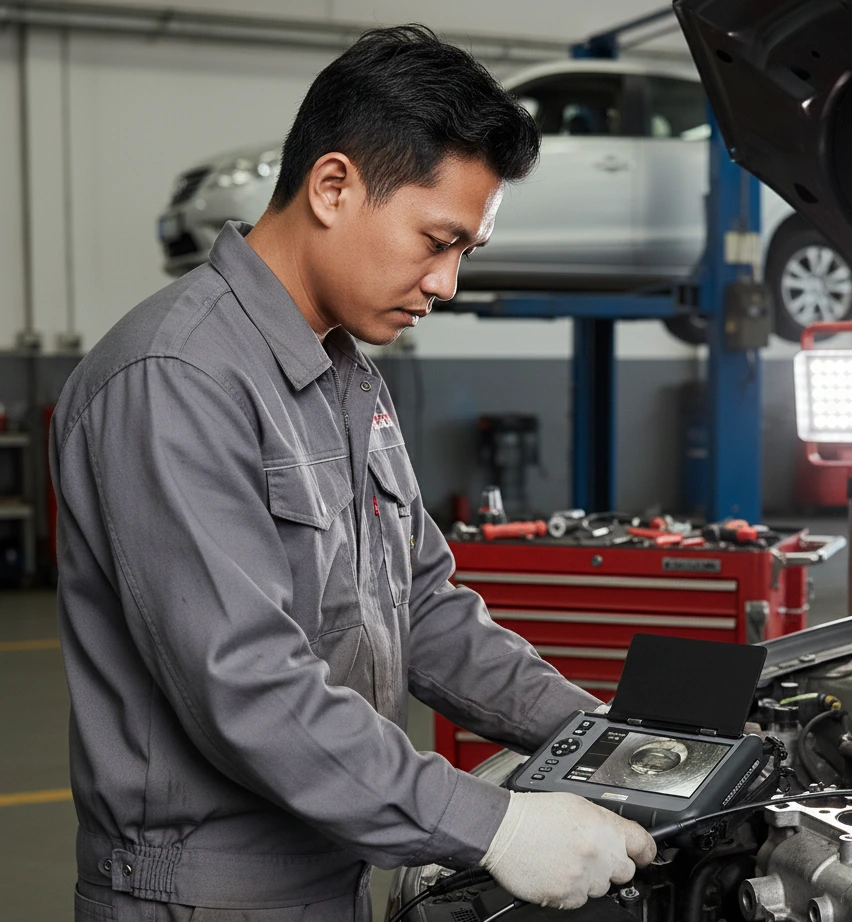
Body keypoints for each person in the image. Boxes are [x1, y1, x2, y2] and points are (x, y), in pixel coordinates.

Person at [52, 25, 656, 922]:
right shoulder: (176, 378)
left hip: (334, 867)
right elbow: (248, 690)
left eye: (467, 253)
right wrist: (496, 828)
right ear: (333, 186)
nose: (447, 283)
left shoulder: (345, 374)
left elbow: (427, 609)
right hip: (206, 900)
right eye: (437, 239)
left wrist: (604, 739)